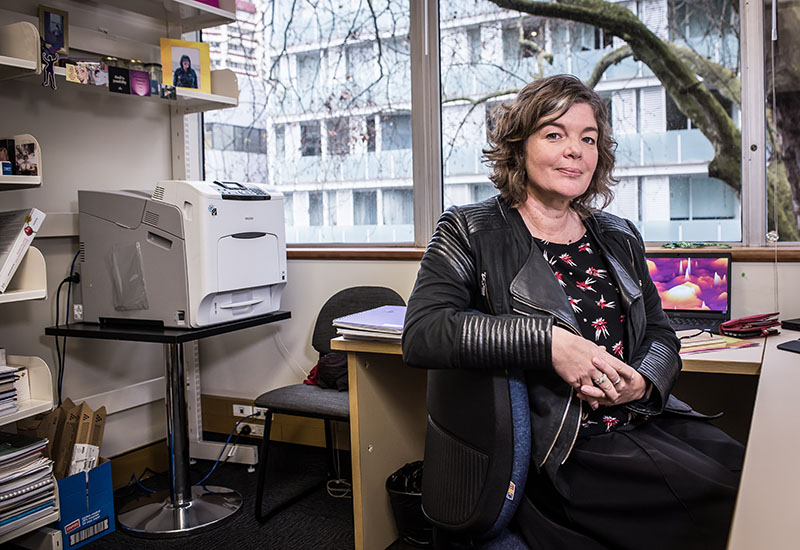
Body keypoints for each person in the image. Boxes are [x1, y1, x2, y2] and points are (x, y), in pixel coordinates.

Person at [401, 74, 743, 550]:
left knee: (759, 472)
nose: (576, 150)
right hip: (567, 450)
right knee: (731, 503)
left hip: (642, 419)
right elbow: (423, 333)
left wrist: (642, 382)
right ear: (518, 146)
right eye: (554, 134)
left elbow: (662, 334)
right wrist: (550, 344)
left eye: (589, 138)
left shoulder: (618, 233)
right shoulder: (468, 230)